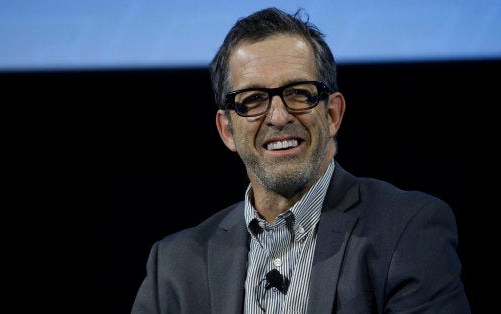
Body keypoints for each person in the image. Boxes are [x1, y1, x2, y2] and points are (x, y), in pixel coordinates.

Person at [131, 7, 470, 314]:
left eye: (298, 93)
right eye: (252, 99)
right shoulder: (174, 266)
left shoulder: (407, 230)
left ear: (333, 114)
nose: (278, 117)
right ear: (227, 130)